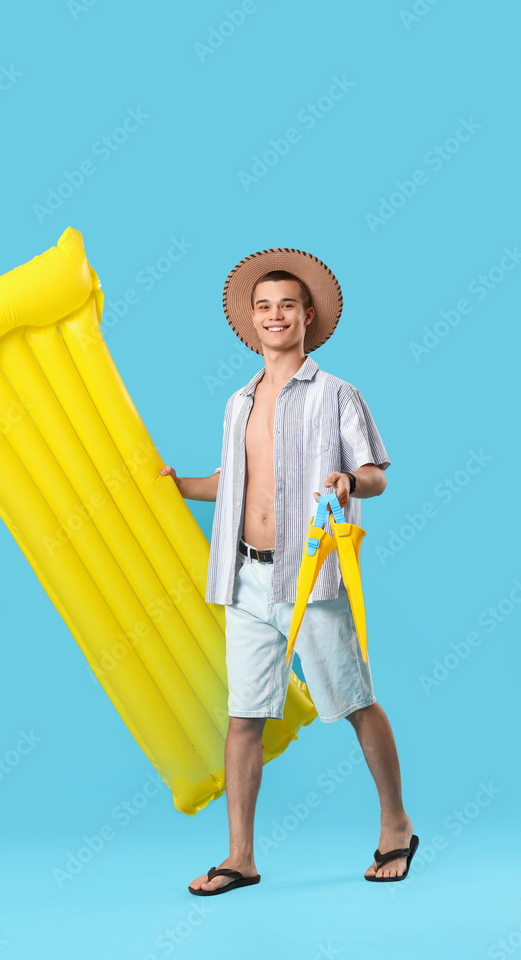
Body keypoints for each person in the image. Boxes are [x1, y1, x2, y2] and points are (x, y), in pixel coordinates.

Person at [160, 247, 418, 894]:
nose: (274, 316)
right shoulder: (237, 402)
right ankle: (239, 856)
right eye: (263, 307)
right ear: (250, 321)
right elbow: (231, 484)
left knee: (354, 701)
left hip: (312, 576)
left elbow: (375, 477)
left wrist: (347, 478)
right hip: (245, 577)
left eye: (286, 307)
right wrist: (174, 487)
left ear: (308, 318)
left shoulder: (337, 395)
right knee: (244, 715)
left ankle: (396, 826)